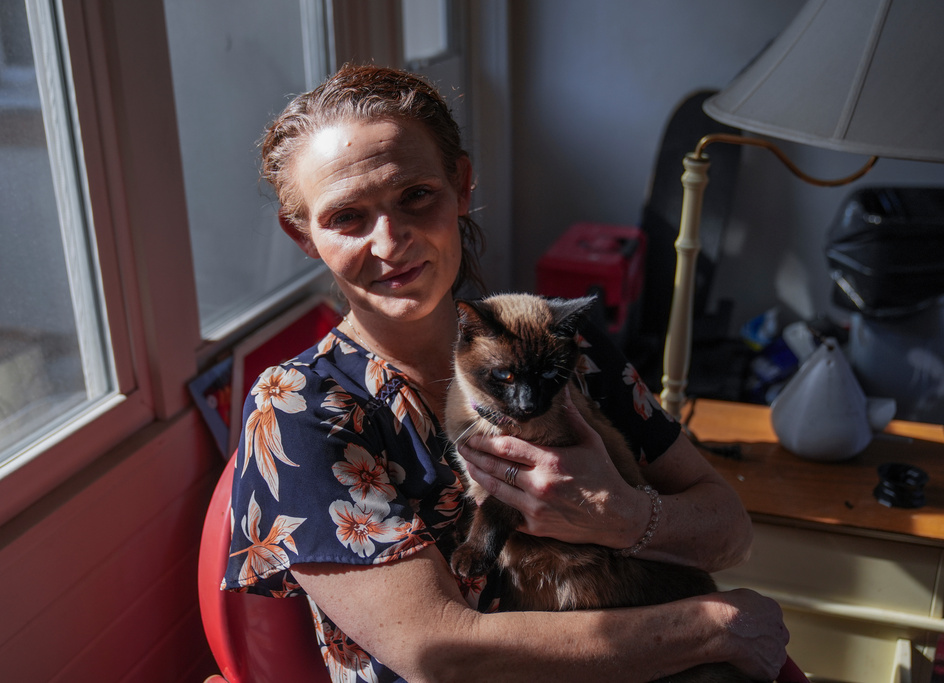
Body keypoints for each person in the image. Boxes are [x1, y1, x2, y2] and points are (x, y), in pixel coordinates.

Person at [221, 63, 788, 682]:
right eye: (346, 217)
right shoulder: (299, 410)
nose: (389, 242)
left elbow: (730, 533)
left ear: (462, 185)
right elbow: (439, 653)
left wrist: (620, 514)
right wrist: (707, 627)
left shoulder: (561, 343)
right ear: (303, 235)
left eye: (416, 195)